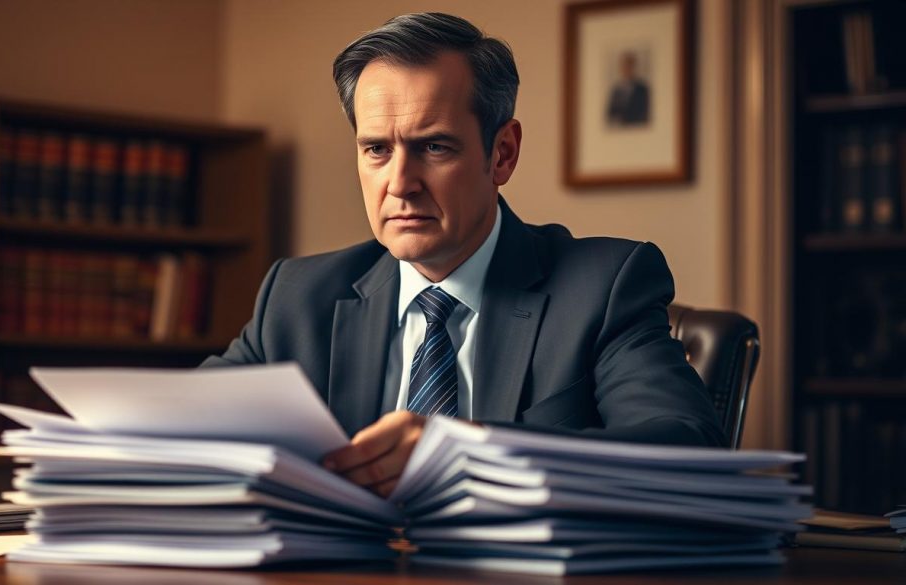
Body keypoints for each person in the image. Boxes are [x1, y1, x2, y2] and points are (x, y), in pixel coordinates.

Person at [202, 13, 724, 497]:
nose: (400, 185)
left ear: (503, 154)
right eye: (377, 149)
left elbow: (686, 452)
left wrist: (466, 450)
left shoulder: (604, 287)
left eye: (434, 147)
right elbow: (185, 425)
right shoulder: (298, 296)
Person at [606, 51, 650, 126]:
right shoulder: (616, 89)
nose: (625, 69)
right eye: (623, 66)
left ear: (633, 67)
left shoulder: (642, 89)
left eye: (628, 65)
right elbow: (610, 114)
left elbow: (644, 114)